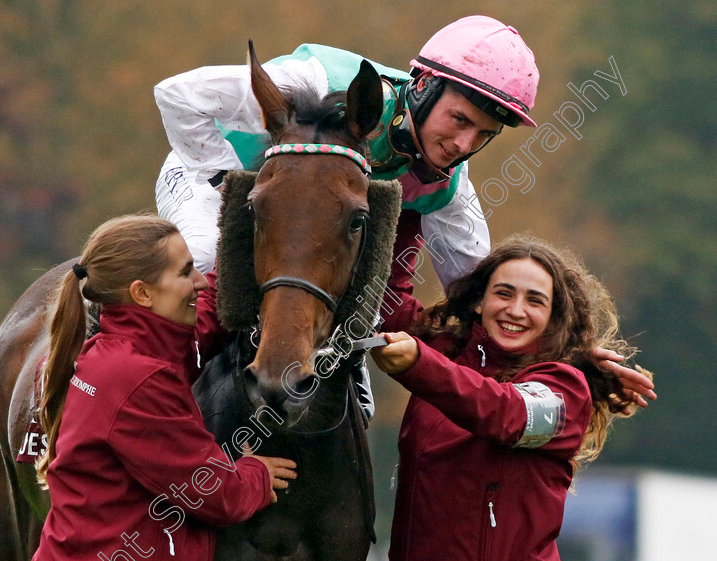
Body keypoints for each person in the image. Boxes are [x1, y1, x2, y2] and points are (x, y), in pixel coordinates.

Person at [152, 15, 655, 414]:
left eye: (482, 135)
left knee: (362, 307)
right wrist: (228, 192)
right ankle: (137, 382)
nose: (463, 146)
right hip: (211, 178)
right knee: (199, 260)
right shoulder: (315, 79)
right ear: (424, 87)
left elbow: (476, 300)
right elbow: (175, 95)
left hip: (319, 231)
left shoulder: (451, 190)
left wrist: (570, 359)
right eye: (459, 120)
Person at [370, 234, 652, 561]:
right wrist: (412, 205)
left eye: (535, 301)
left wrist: (420, 365)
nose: (515, 310)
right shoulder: (443, 352)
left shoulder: (568, 389)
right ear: (479, 301)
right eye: (503, 293)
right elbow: (386, 297)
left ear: (554, 318)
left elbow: (508, 413)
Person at [33, 215, 297, 561]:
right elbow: (214, 493)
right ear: (142, 292)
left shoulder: (118, 353)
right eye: (186, 272)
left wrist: (244, 253)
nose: (200, 281)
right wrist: (257, 475)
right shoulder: (136, 378)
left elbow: (199, 326)